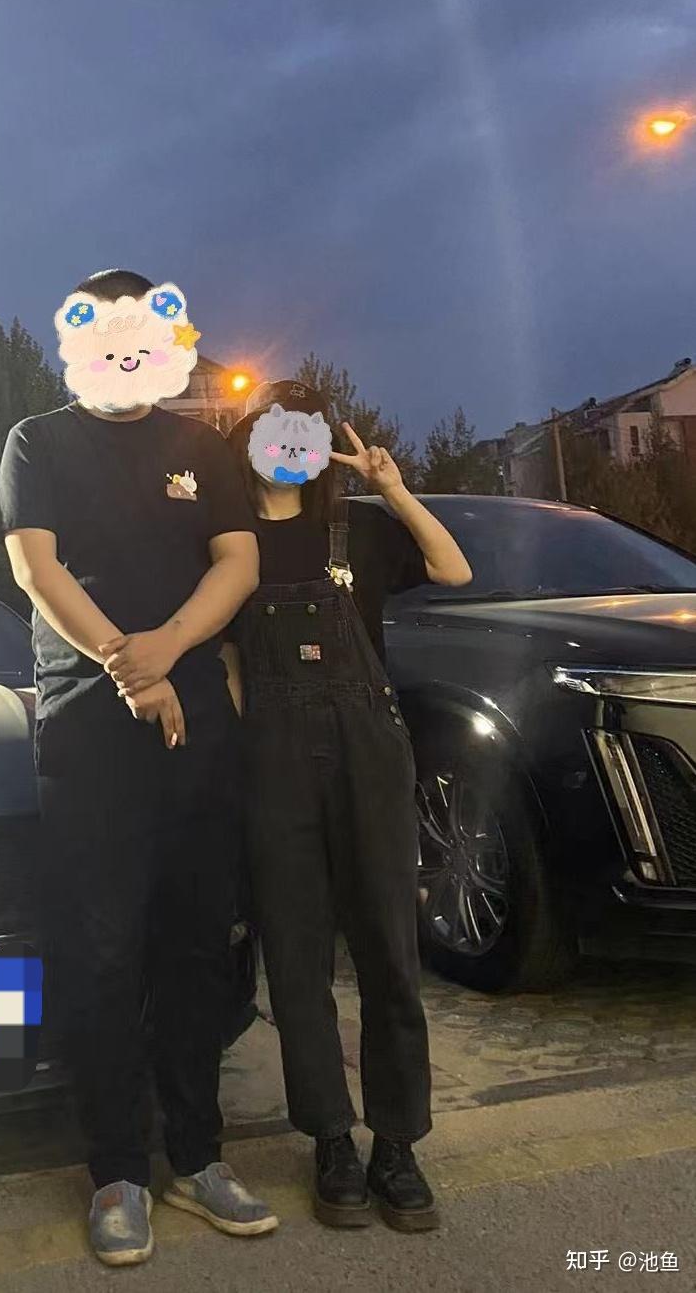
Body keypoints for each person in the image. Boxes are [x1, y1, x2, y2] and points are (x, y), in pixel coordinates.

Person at [0, 269, 278, 1266]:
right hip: (87, 729)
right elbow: (35, 567)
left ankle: (197, 1158)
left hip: (196, 725)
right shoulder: (39, 442)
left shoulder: (200, 449)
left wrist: (167, 651)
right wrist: (125, 665)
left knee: (194, 946)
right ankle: (116, 1171)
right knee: (102, 952)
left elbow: (238, 562)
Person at [226, 378, 473, 1233]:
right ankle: (330, 1139)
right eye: (270, 428)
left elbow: (452, 568)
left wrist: (392, 488)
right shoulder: (229, 541)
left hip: (368, 754)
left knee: (388, 952)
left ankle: (396, 1144)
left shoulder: (357, 528)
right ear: (248, 442)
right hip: (271, 761)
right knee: (295, 960)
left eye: (302, 430)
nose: (286, 444)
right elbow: (226, 660)